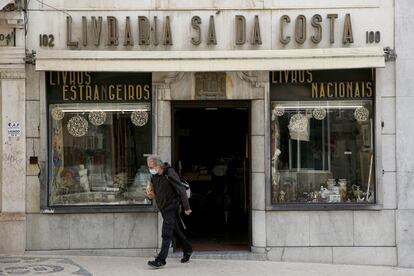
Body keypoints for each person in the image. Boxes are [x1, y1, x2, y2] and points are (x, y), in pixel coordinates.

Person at [146, 155, 193, 268]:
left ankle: (161, 260)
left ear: (158, 165)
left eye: (151, 167)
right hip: (163, 207)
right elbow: (153, 192)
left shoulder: (170, 173)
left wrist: (187, 208)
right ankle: (188, 249)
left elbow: (181, 190)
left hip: (171, 206)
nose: (150, 169)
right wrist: (150, 196)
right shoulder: (154, 176)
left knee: (166, 233)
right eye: (149, 167)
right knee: (176, 230)